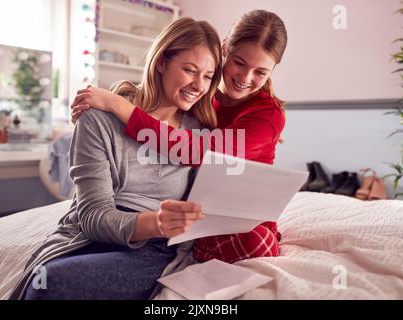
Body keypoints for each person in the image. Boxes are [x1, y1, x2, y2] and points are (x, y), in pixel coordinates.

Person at [8, 17, 222, 300]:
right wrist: (154, 221)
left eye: (207, 77)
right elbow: (93, 217)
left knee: (52, 285)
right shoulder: (98, 118)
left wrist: (161, 226)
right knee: (42, 281)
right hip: (88, 238)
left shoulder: (199, 135)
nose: (199, 85)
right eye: (189, 70)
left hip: (152, 247)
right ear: (161, 62)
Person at [71, 10, 287, 264]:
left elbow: (199, 152)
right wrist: (112, 107)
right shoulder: (203, 102)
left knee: (257, 241)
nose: (245, 78)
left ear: (272, 71)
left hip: (241, 212)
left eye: (260, 72)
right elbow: (157, 105)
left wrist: (120, 107)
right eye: (239, 63)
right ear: (225, 49)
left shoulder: (267, 115)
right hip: (196, 212)